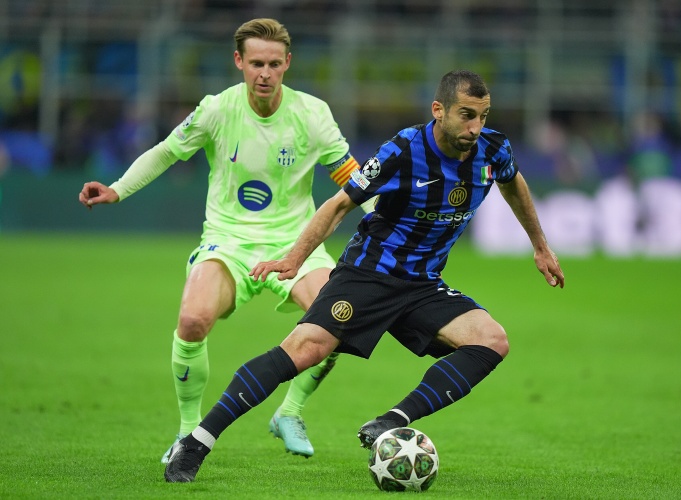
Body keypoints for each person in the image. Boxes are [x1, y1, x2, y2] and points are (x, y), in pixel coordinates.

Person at [164, 69, 565, 483]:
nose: (475, 127)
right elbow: (339, 204)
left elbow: (513, 183)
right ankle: (195, 443)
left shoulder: (494, 149)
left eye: (482, 116)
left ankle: (391, 421)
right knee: (304, 349)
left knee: (492, 340)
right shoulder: (403, 150)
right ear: (438, 110)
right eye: (466, 115)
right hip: (369, 274)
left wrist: (540, 246)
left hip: (423, 283)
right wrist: (295, 259)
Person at [78, 18, 374, 462]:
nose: (264, 74)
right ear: (239, 61)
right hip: (228, 241)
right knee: (192, 320)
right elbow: (167, 151)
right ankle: (187, 432)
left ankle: (290, 412)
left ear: (287, 63)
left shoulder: (313, 114)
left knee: (339, 321)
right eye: (256, 63)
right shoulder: (216, 110)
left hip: (295, 244)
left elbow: (351, 177)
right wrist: (118, 188)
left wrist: (384, 218)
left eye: (273, 64)